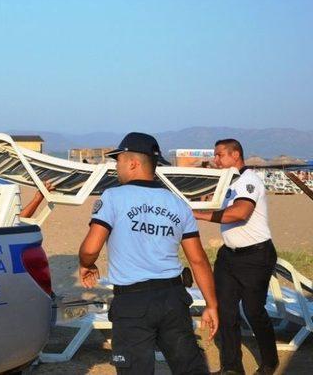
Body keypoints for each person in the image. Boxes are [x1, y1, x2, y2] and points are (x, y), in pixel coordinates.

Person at [78, 132, 218, 374]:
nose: (116, 167)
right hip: (174, 299)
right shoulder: (178, 203)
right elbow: (198, 260)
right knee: (190, 368)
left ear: (133, 162)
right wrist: (212, 305)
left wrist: (86, 263)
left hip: (133, 302)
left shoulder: (113, 197)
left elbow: (91, 248)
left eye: (118, 160)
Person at [193, 139, 279, 374]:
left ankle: (270, 362)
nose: (216, 160)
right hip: (229, 256)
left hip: (255, 255)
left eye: (220, 155)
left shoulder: (249, 180)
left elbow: (240, 212)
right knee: (225, 310)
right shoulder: (227, 182)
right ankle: (231, 367)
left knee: (253, 311)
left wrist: (199, 216)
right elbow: (205, 199)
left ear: (235, 155)